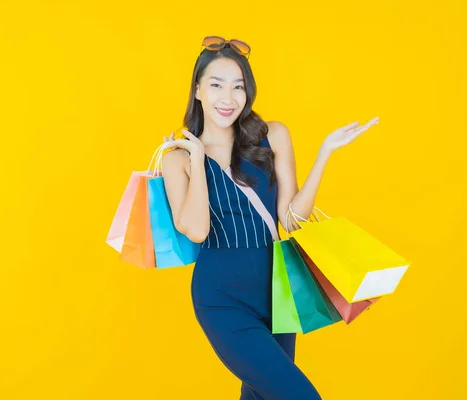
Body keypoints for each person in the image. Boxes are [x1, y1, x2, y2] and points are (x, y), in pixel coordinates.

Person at [160, 35, 379, 400]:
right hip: (221, 298)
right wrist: (198, 161)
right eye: (216, 86)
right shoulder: (177, 158)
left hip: (279, 291)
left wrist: (324, 153)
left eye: (238, 87)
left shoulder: (272, 135)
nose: (227, 98)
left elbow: (291, 220)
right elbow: (196, 230)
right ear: (198, 89)